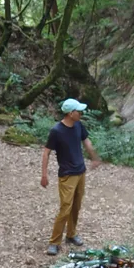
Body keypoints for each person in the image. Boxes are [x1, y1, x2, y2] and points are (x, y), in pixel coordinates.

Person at [40, 98, 100, 255]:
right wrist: (44, 175)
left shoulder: (79, 125)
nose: (81, 113)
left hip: (81, 172)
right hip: (67, 175)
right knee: (65, 208)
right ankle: (54, 242)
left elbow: (86, 141)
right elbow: (46, 152)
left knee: (76, 205)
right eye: (78, 111)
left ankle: (71, 234)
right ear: (70, 113)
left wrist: (94, 157)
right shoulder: (57, 131)